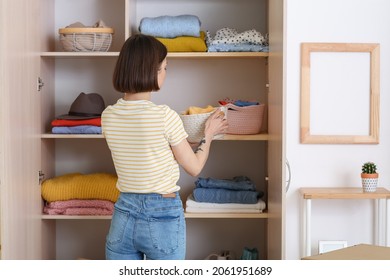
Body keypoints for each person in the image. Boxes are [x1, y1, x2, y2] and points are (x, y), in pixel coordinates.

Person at [101, 34, 228, 260]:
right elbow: (194, 167)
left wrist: (178, 142)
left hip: (123, 214)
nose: (166, 74)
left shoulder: (108, 116)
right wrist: (209, 134)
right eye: (165, 68)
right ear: (153, 71)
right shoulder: (164, 116)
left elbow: (144, 149)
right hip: (162, 214)